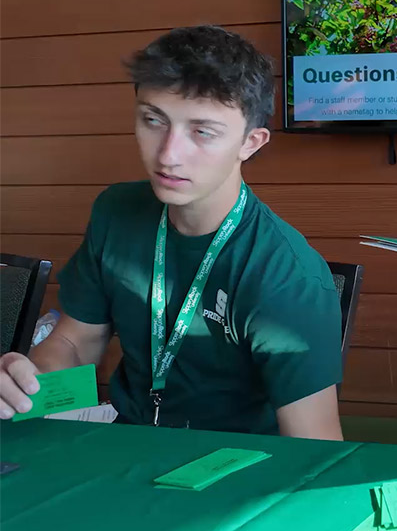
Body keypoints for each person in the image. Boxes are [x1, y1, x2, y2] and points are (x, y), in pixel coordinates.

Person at [0, 26, 345, 439]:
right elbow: (75, 343)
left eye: (202, 131)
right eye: (153, 120)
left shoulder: (285, 275)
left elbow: (314, 447)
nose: (168, 155)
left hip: (235, 471)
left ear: (250, 143)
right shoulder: (116, 211)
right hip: (122, 447)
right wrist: (28, 384)